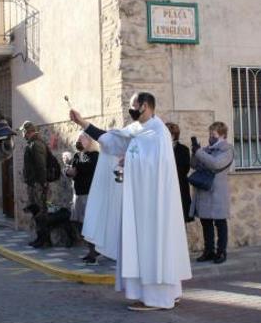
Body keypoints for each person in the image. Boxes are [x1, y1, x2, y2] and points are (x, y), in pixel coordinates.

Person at [71, 92, 192, 311]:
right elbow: (112, 139)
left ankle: (157, 298)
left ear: (145, 106)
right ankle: (169, 293)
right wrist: (83, 123)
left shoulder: (158, 133)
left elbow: (155, 166)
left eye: (133, 106)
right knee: (146, 245)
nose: (131, 110)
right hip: (140, 201)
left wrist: (130, 160)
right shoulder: (137, 130)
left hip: (154, 204)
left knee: (154, 244)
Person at [190, 122, 235, 264]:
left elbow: (215, 164)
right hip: (204, 191)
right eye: (210, 134)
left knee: (220, 223)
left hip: (217, 192)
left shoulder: (227, 150)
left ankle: (221, 252)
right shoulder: (207, 149)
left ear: (222, 134)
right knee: (206, 223)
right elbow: (194, 165)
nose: (210, 137)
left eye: (213, 134)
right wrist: (195, 152)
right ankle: (209, 251)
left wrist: (199, 153)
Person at [65, 132, 100, 263]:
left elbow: (90, 169)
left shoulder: (95, 155)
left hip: (89, 193)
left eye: (81, 139)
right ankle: (91, 249)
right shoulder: (77, 155)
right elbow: (70, 169)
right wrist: (68, 171)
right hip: (77, 193)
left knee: (89, 223)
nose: (78, 141)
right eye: (78, 139)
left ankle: (93, 251)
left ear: (89, 141)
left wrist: (75, 168)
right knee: (78, 222)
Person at [20, 120, 49, 245]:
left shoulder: (36, 144)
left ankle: (43, 239)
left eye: (23, 131)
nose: (22, 134)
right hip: (34, 183)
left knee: (40, 211)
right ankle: (39, 237)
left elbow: (41, 165)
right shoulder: (31, 144)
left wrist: (43, 183)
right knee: (36, 211)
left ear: (28, 131)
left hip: (37, 184)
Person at [166, 122, 193, 223]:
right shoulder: (160, 149)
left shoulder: (183, 149)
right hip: (165, 188)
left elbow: (185, 168)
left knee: (180, 220)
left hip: (179, 187)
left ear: (172, 135)